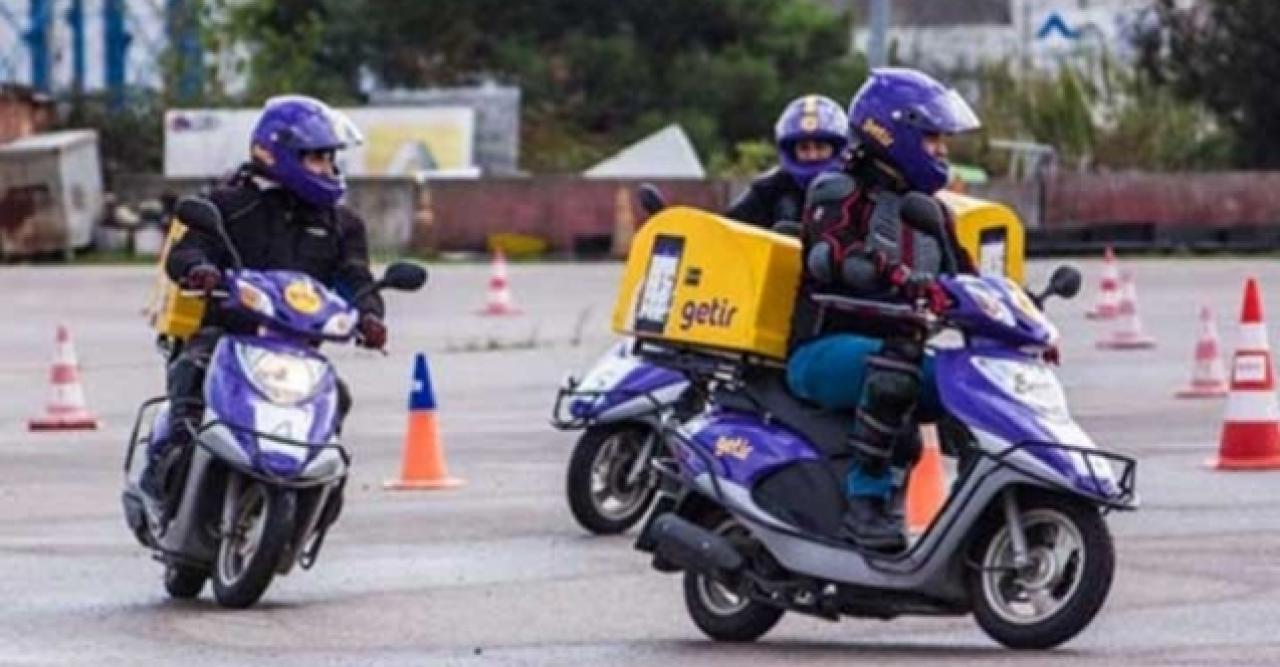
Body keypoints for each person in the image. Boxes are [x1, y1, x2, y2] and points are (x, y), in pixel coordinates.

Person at [141, 95, 387, 502]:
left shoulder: (343, 225)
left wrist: (372, 316)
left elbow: (356, 279)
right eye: (317, 159)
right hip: (225, 336)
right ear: (280, 155)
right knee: (192, 371)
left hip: (298, 350)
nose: (328, 169)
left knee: (337, 398)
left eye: (330, 159)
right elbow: (186, 251)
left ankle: (320, 491)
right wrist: (198, 270)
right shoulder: (225, 205)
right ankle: (164, 472)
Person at [785, 69, 980, 551]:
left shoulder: (931, 211)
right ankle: (864, 504)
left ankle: (980, 508)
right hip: (819, 349)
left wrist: (1018, 311)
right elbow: (831, 254)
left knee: (975, 385)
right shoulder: (837, 191)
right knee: (896, 370)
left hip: (898, 349)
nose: (941, 151)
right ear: (893, 132)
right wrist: (892, 274)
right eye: (932, 139)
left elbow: (970, 280)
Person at [725, 95, 848, 229]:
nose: (812, 155)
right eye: (804, 148)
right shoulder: (768, 190)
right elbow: (729, 231)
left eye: (820, 147)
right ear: (791, 151)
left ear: (837, 149)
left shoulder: (858, 187)